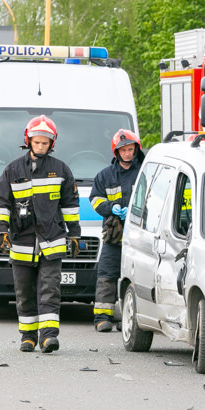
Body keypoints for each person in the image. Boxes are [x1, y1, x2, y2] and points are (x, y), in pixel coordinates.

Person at [0, 115, 81, 353]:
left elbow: (71, 206)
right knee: (24, 292)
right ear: (28, 141)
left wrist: (74, 234)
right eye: (37, 142)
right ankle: (28, 337)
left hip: (52, 241)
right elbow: (1, 203)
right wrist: (1, 231)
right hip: (21, 242)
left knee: (49, 290)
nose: (41, 146)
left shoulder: (61, 170)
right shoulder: (12, 170)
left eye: (45, 143)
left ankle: (49, 336)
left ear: (52, 144)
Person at [89, 130, 143, 331]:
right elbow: (95, 200)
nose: (128, 153)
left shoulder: (143, 172)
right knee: (107, 274)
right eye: (123, 150)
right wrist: (111, 208)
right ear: (116, 152)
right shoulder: (105, 176)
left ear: (136, 149)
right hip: (115, 234)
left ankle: (129, 319)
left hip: (139, 235)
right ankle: (102, 318)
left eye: (130, 149)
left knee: (135, 276)